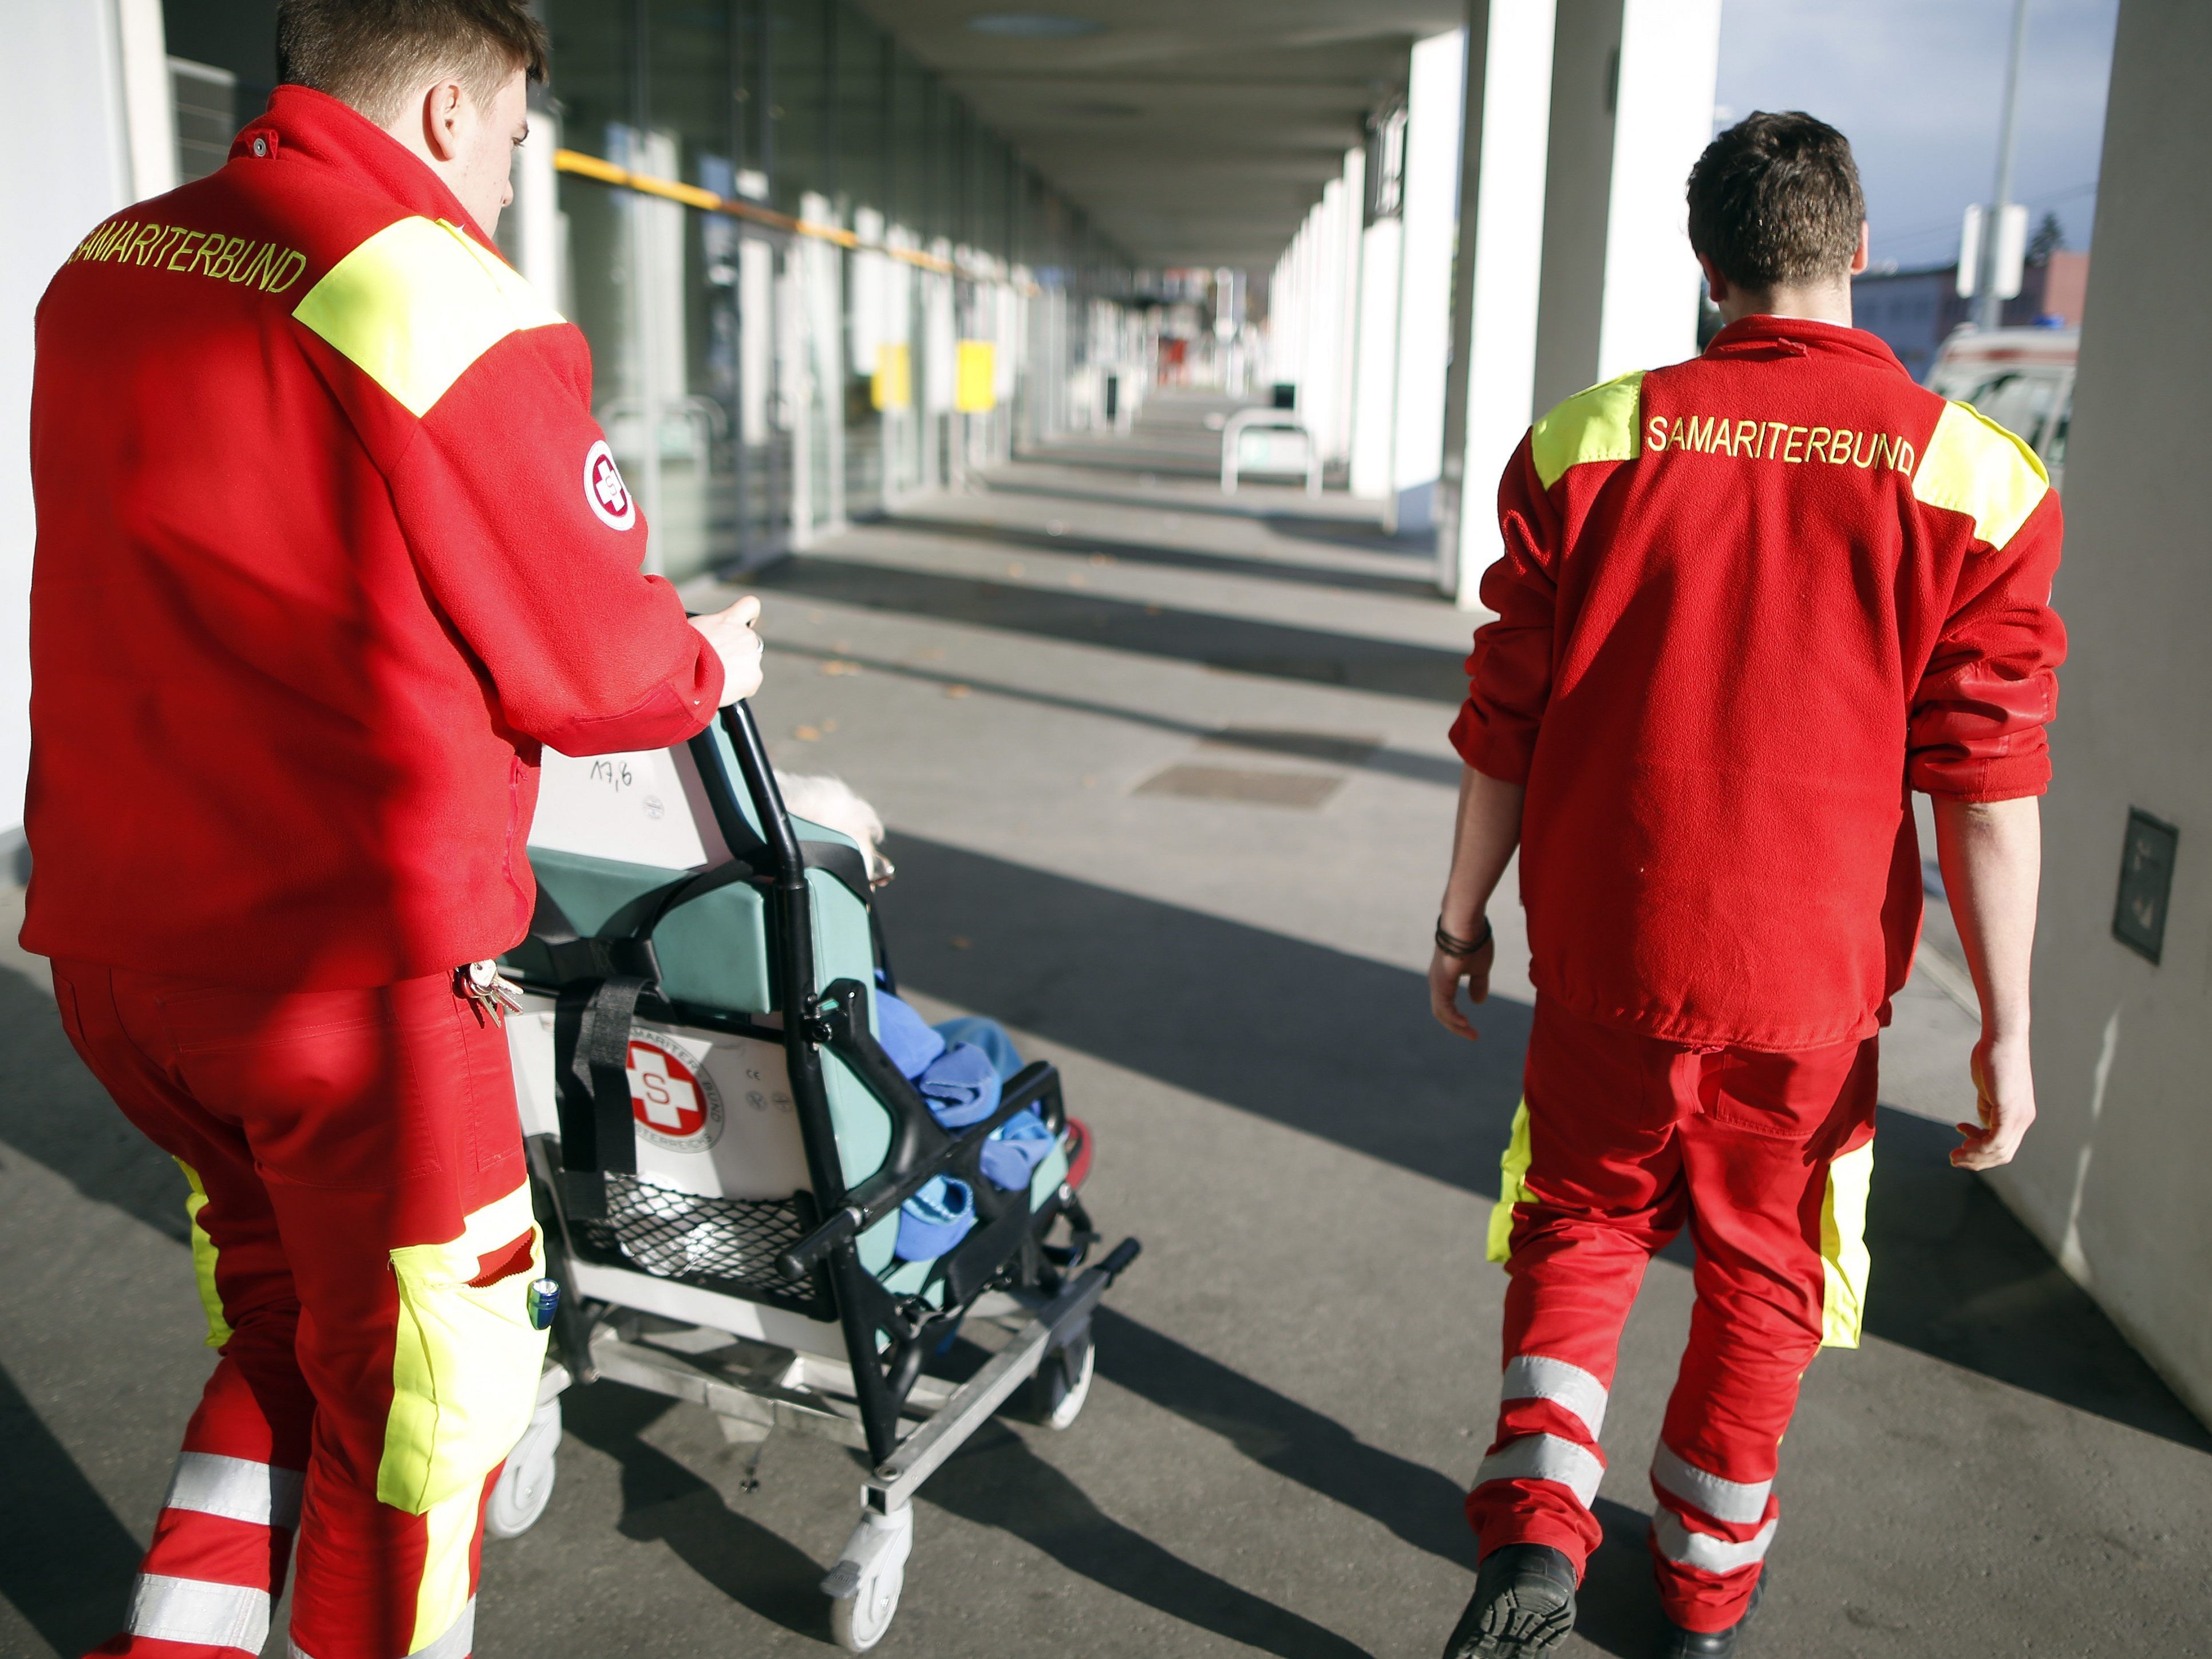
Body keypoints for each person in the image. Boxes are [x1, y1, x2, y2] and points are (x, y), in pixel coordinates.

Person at [23, 2, 763, 1655]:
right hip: (342, 984)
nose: (507, 172)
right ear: (446, 103)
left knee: (291, 1325)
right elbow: (596, 659)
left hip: (119, 955)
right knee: (443, 1391)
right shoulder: (425, 287)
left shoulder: (111, 264)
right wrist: (712, 657)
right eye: (512, 135)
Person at [1429, 113, 2063, 1659]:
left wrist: (1463, 914)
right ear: (1853, 252)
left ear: (1707, 269)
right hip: (1812, 987)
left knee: (1577, 1222)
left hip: (1606, 949)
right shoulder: (1983, 480)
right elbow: (1987, 786)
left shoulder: (1587, 440)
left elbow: (1502, 716)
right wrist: (2006, 1027)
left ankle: (1535, 1525)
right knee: (1771, 1274)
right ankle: (1705, 1589)